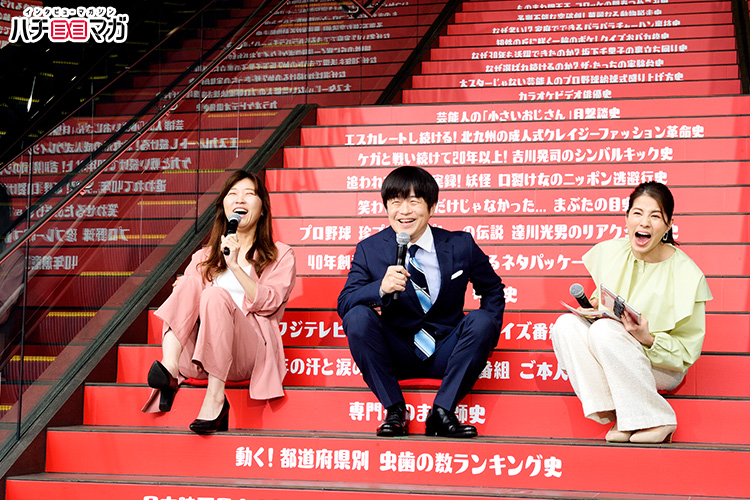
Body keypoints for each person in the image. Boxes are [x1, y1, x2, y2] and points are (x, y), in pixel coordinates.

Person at [337, 166, 505, 438]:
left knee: (483, 320)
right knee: (357, 317)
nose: (404, 211)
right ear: (386, 207)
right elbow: (345, 302)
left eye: (413, 201)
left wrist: (488, 336)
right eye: (396, 202)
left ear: (432, 206)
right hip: (396, 352)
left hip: (449, 351)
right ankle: (394, 409)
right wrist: (379, 288)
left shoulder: (460, 244)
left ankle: (442, 411)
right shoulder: (370, 249)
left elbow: (493, 289)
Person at [551, 181, 712, 444]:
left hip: (660, 365)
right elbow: (605, 305)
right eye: (637, 213)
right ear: (626, 218)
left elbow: (685, 353)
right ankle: (620, 413)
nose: (644, 222)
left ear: (668, 225)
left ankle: (659, 419)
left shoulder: (687, 274)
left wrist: (648, 339)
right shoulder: (611, 252)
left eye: (655, 216)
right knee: (565, 325)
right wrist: (593, 311)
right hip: (613, 350)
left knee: (605, 331)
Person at [141, 170, 296, 434]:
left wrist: (234, 265)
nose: (240, 199)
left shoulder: (280, 254)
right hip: (198, 359)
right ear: (224, 207)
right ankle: (170, 367)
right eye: (233, 194)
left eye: (249, 194)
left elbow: (270, 302)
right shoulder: (203, 256)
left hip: (246, 355)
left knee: (214, 294)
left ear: (262, 209)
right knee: (187, 283)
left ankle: (215, 396)